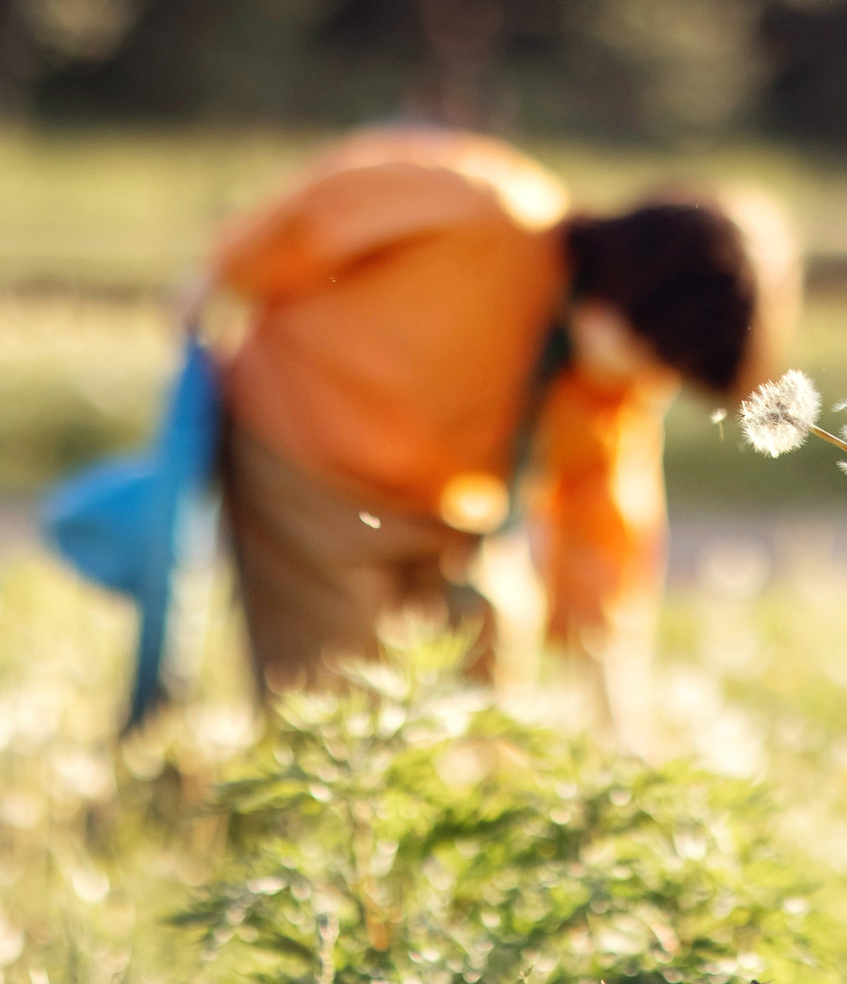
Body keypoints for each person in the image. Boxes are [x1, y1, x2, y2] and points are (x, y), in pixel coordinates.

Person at [202, 126, 796, 732]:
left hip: (451, 509)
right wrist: (225, 275)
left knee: (493, 658)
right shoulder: (489, 214)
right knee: (337, 684)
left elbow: (602, 526)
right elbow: (326, 205)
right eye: (645, 343)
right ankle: (321, 818)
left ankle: (469, 812)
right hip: (307, 456)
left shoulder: (612, 388)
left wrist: (616, 716)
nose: (641, 370)